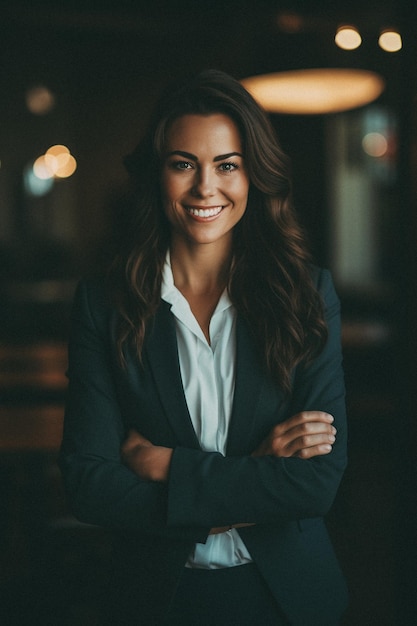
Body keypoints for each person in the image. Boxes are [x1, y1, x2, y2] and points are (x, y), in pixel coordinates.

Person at [59, 69, 348, 625]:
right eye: (183, 164)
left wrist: (167, 467)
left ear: (252, 175)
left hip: (288, 599)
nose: (205, 188)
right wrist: (257, 469)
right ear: (157, 174)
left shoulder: (308, 295)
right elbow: (90, 487)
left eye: (227, 165)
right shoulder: (104, 304)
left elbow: (315, 484)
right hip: (156, 601)